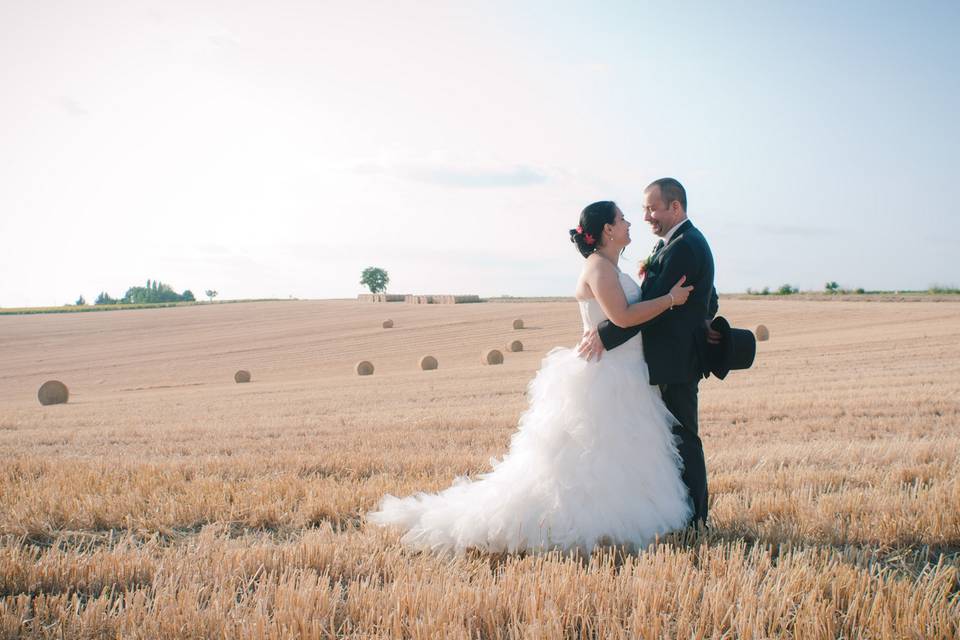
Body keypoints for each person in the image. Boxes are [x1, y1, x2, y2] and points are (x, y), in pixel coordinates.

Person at [366, 201, 694, 555]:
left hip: (628, 371)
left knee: (625, 455)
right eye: (622, 218)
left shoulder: (610, 267)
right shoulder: (598, 268)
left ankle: (634, 515)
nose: (631, 222)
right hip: (608, 375)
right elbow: (624, 316)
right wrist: (671, 300)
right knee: (595, 458)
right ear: (608, 230)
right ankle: (586, 522)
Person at [578, 178, 718, 528]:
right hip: (645, 364)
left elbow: (666, 304)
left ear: (675, 207)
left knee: (683, 441)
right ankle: (678, 517)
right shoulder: (672, 244)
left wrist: (605, 334)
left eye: (651, 209)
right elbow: (668, 301)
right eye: (637, 212)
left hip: (673, 362)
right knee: (663, 444)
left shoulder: (685, 246)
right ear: (607, 230)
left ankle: (696, 520)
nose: (644, 218)